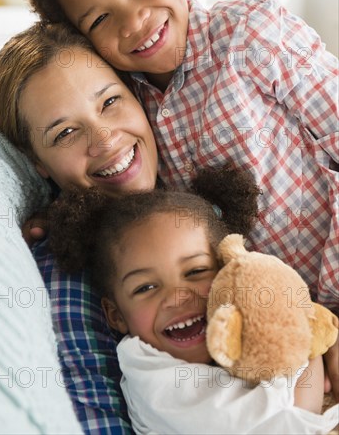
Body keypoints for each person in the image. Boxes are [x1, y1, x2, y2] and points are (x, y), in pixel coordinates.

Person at [14, 0, 339, 319]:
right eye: (100, 18)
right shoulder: (124, 109)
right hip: (265, 323)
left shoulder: (252, 33)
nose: (134, 22)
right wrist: (60, 217)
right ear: (81, 37)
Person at [46, 184, 339, 435]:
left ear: (229, 269)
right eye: (145, 288)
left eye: (196, 271)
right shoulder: (150, 372)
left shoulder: (249, 326)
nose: (178, 297)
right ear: (116, 315)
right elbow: (278, 422)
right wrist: (309, 352)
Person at [0, 21, 159, 433]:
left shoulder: (196, 182)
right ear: (38, 164)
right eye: (65, 132)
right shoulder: (73, 278)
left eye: (110, 101)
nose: (104, 140)